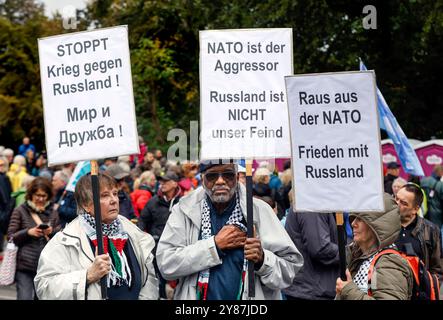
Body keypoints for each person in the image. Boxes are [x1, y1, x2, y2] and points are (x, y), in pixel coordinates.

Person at [156, 160, 303, 300]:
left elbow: (289, 269)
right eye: (212, 175)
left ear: (237, 176)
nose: (220, 181)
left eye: (227, 174)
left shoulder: (259, 210)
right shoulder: (184, 210)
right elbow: (166, 264)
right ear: (202, 178)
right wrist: (214, 246)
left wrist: (262, 260)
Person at [34, 173, 158, 300]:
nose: (114, 200)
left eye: (115, 193)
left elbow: (149, 281)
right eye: (104, 195)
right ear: (86, 205)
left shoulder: (133, 233)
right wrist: (87, 276)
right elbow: (44, 287)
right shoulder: (66, 240)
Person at [335, 193, 413, 300]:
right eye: (354, 218)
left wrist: (348, 290)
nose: (353, 223)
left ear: (377, 226)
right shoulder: (359, 256)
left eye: (360, 219)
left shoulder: (388, 263)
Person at [7, 177, 59, 300]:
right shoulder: (20, 210)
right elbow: (10, 236)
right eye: (37, 195)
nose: (41, 199)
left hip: (46, 267)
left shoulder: (53, 212)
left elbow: (61, 236)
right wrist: (28, 232)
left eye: (44, 195)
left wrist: (51, 232)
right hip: (25, 265)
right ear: (31, 194)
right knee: (24, 297)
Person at [137, 170, 181, 299]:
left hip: (178, 246)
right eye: (161, 181)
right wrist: (143, 239)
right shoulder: (153, 201)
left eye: (166, 181)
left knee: (178, 277)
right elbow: (142, 220)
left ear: (174, 184)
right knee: (158, 277)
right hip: (156, 246)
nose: (162, 184)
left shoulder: (183, 202)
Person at [283, 210, 339, 300]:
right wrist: (349, 253)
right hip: (311, 290)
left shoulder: (316, 204)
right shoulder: (313, 205)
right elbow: (320, 249)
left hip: (312, 288)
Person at [394, 183, 443, 281]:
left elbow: (437, 268)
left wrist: (428, 289)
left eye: (403, 203)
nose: (397, 204)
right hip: (388, 290)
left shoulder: (430, 230)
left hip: (418, 293)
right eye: (396, 198)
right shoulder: (384, 225)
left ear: (415, 209)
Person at [421, 165, 443, 234]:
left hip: (423, 213)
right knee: (436, 237)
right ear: (441, 172)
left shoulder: (422, 181)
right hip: (437, 216)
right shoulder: (440, 185)